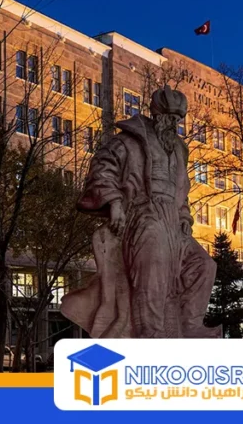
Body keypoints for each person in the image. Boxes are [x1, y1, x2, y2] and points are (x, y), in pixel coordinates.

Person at [61, 85, 218, 338]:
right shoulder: (128, 140)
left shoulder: (178, 150)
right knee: (153, 262)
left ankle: (190, 325)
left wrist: (184, 217)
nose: (174, 124)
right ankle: (150, 331)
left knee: (204, 265)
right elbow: (102, 168)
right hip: (143, 215)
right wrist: (114, 202)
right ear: (158, 115)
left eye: (177, 119)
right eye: (170, 118)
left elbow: (182, 190)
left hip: (173, 222)